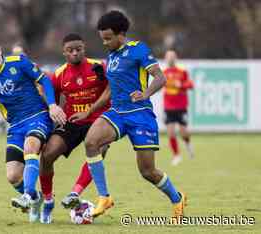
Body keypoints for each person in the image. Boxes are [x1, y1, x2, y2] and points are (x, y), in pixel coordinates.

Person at [83, 11, 187, 221]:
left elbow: (160, 77)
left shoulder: (138, 49)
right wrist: (91, 110)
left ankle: (177, 198)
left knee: (148, 171)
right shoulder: (111, 56)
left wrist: (145, 94)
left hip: (140, 115)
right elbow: (111, 90)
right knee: (91, 142)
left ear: (121, 34)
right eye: (102, 38)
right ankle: (104, 197)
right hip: (118, 113)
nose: (105, 43)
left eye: (108, 38)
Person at [0, 35, 66, 222]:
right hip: (16, 126)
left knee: (31, 146)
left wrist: (51, 105)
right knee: (13, 176)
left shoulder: (20, 62)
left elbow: (44, 81)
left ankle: (27, 195)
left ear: (0, 50)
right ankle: (36, 198)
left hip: (38, 117)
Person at [39, 33, 110, 224]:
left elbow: (110, 89)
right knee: (46, 155)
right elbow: (49, 95)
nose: (75, 53)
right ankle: (47, 201)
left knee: (100, 151)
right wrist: (52, 107)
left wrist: (92, 110)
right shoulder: (60, 74)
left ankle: (74, 193)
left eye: (78, 49)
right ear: (64, 52)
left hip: (98, 120)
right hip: (72, 121)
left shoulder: (98, 67)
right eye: (70, 50)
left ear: (84, 48)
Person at [163, 50, 194, 165]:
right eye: (168, 57)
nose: (170, 59)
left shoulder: (182, 71)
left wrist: (181, 85)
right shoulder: (163, 72)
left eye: (172, 57)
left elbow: (191, 85)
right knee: (170, 132)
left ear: (175, 58)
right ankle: (176, 155)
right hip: (168, 106)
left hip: (181, 106)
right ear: (165, 59)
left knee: (183, 132)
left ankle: (188, 144)